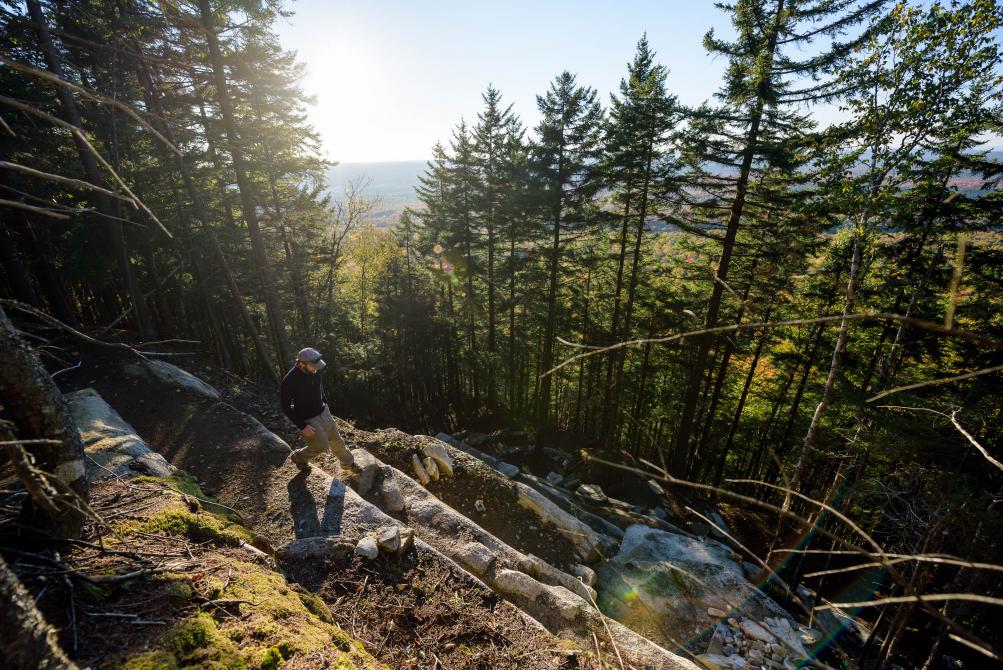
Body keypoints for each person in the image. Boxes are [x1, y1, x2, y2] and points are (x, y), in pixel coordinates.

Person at [280, 347, 356, 472]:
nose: (317, 369)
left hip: (323, 411)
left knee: (336, 440)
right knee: (320, 447)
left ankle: (348, 463)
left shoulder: (314, 372)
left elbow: (319, 390)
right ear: (302, 364)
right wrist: (303, 426)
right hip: (309, 418)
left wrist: (325, 404)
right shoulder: (289, 381)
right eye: (314, 366)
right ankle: (298, 457)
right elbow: (285, 406)